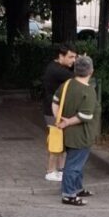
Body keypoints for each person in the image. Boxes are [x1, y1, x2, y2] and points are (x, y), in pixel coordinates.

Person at [53, 55, 99, 206]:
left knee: (77, 163)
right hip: (81, 135)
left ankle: (77, 188)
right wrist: (68, 122)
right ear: (91, 71)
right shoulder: (89, 90)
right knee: (74, 165)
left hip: (67, 134)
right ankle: (68, 194)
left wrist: (59, 119)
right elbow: (85, 115)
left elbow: (55, 101)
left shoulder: (67, 84)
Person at [42, 44, 76, 181]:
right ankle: (51, 170)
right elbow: (78, 77)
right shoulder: (57, 71)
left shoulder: (56, 67)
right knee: (56, 140)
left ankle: (60, 169)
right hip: (53, 110)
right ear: (61, 56)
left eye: (75, 57)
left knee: (59, 140)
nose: (73, 60)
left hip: (55, 108)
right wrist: (81, 63)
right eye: (70, 57)